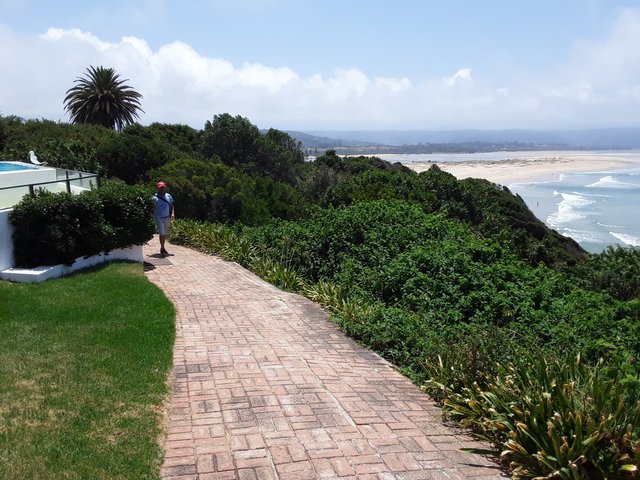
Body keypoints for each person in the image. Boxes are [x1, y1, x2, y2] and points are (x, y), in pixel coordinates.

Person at [152, 181, 175, 256]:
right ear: (158, 188)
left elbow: (171, 205)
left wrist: (172, 213)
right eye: (160, 187)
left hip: (166, 217)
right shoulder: (154, 198)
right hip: (159, 217)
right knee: (162, 233)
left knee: (164, 233)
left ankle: (163, 247)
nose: (162, 189)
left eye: (163, 187)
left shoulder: (168, 196)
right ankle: (162, 248)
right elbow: (152, 207)